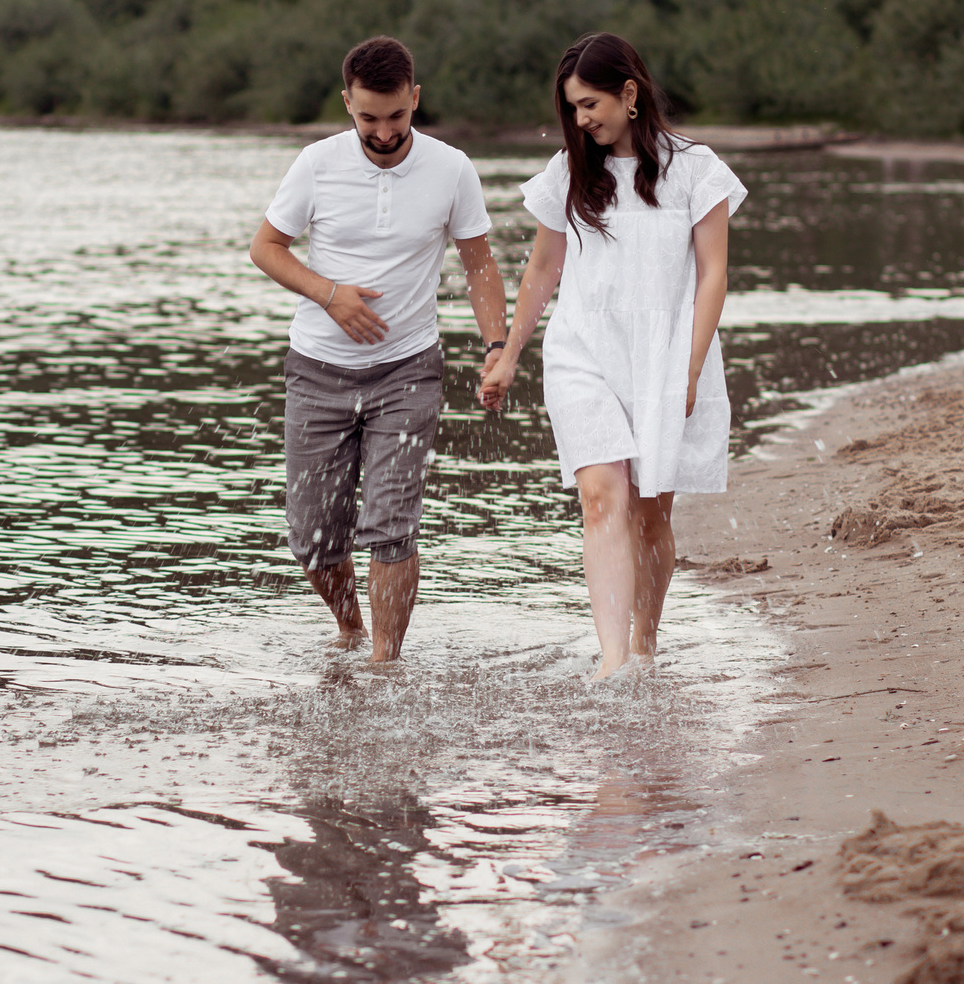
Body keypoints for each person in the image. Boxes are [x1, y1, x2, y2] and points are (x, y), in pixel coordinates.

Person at [478, 33, 745, 680]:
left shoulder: (695, 169)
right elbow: (543, 267)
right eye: (571, 107)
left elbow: (713, 275)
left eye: (589, 103)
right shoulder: (568, 173)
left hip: (664, 354)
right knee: (602, 496)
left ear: (630, 93)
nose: (580, 119)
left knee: (651, 515)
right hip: (582, 350)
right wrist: (508, 352)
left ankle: (644, 644)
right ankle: (612, 660)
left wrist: (689, 365)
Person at [249, 36, 505, 663]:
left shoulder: (451, 169)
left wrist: (497, 345)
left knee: (391, 527)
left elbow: (479, 268)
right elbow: (266, 248)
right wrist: (329, 293)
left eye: (396, 115)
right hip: (316, 369)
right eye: (368, 117)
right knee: (312, 537)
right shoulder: (317, 164)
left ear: (415, 99)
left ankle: (384, 667)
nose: (384, 131)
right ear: (347, 105)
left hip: (409, 370)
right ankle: (351, 629)